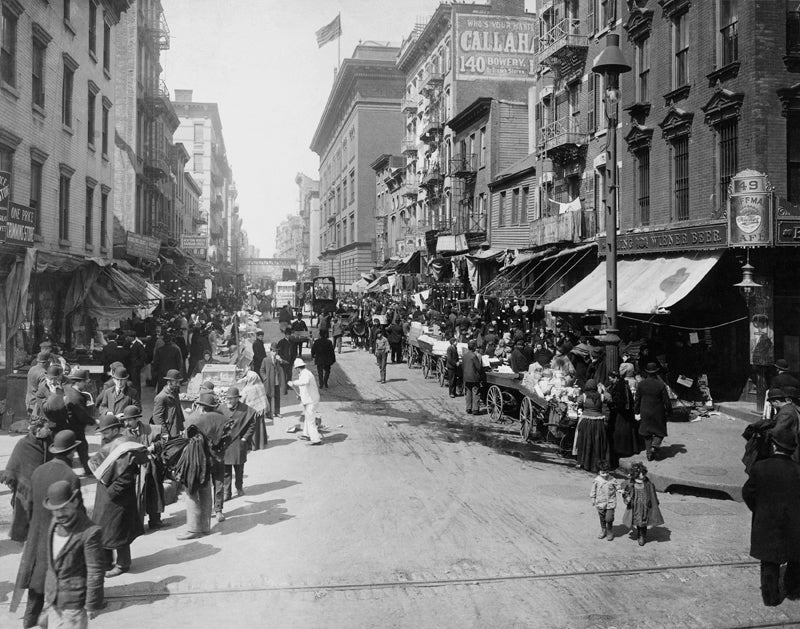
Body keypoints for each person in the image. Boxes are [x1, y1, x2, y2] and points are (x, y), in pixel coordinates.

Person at [14, 430, 82, 627]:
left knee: (36, 578)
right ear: (71, 452)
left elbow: (29, 504)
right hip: (59, 537)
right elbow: (76, 514)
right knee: (59, 581)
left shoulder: (39, 471)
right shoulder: (70, 477)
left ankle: (29, 619)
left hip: (37, 533)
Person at [742, 426, 800, 606]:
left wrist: (758, 510)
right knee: (795, 557)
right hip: (794, 523)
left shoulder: (760, 467)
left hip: (766, 521)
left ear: (774, 446)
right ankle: (793, 589)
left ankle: (771, 597)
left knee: (769, 560)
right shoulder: (798, 470)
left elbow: (748, 493)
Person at [89, 413, 147, 577]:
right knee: (105, 529)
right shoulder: (111, 442)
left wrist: (111, 492)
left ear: (116, 429)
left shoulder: (124, 446)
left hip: (118, 497)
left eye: (106, 432)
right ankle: (107, 561)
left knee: (119, 531)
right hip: (106, 495)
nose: (103, 435)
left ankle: (123, 564)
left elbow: (127, 475)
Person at [41, 480, 106, 626]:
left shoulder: (90, 532)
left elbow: (95, 571)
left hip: (74, 603)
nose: (59, 514)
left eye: (64, 508)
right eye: (55, 509)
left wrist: (92, 604)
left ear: (75, 502)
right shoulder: (54, 523)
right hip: (52, 598)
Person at [166, 397, 231, 539]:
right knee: (206, 490)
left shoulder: (198, 421)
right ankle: (205, 527)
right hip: (213, 461)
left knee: (191, 492)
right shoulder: (222, 419)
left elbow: (188, 439)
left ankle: (193, 530)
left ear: (201, 407)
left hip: (197, 462)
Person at [1, 417, 54, 542]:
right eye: (47, 428)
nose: (49, 430)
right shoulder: (23, 444)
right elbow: (13, 465)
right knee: (23, 515)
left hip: (42, 486)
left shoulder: (48, 441)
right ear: (38, 429)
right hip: (25, 488)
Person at [121, 406, 166, 530]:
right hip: (134, 470)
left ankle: (155, 521)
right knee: (137, 496)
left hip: (151, 468)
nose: (127, 423)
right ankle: (138, 524)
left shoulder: (149, 429)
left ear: (136, 419)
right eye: (125, 420)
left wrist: (154, 447)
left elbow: (163, 440)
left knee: (153, 493)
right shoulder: (124, 434)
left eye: (129, 420)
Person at [221, 387, 257, 499]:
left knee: (239, 468)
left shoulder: (245, 410)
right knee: (226, 471)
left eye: (231, 399)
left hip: (238, 444)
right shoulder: (222, 408)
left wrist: (245, 438)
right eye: (227, 399)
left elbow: (252, 425)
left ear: (237, 399)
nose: (229, 401)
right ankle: (227, 492)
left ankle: (239, 487)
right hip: (225, 444)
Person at [63, 369, 96, 476]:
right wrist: (94, 421)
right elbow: (82, 415)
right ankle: (87, 470)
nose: (85, 384)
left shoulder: (70, 391)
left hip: (71, 427)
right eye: (84, 382)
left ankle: (86, 470)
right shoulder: (76, 397)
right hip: (75, 428)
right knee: (80, 449)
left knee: (75, 451)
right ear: (78, 382)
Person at [635, 362, 671, 461]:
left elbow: (637, 399)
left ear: (647, 372)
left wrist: (636, 411)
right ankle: (655, 445)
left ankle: (649, 453)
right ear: (656, 372)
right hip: (658, 411)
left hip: (645, 410)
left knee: (647, 433)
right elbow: (666, 400)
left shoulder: (641, 384)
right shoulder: (660, 384)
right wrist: (669, 411)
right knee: (660, 431)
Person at [622, 462, 664, 546]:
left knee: (643, 521)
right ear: (636, 474)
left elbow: (652, 493)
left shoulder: (647, 483)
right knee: (638, 521)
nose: (644, 476)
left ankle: (642, 535)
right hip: (636, 506)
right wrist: (627, 497)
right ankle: (640, 534)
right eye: (642, 474)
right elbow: (625, 492)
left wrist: (655, 502)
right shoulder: (631, 483)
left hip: (645, 505)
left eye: (644, 474)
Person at [575, 379, 610, 473]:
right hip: (598, 423)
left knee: (584, 442)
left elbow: (578, 402)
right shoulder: (602, 397)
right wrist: (603, 390)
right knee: (597, 443)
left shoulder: (584, 396)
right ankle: (596, 465)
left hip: (586, 421)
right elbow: (609, 398)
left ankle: (583, 462)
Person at [608, 367, 642, 460]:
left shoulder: (620, 386)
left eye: (610, 378)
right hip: (625, 412)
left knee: (621, 430)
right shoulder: (621, 384)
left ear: (615, 378)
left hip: (622, 413)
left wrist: (612, 403)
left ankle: (622, 450)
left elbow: (620, 401)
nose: (610, 380)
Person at [288, 358, 322, 445]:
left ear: (297, 368)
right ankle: (306, 434)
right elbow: (305, 389)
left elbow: (305, 382)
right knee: (307, 418)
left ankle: (316, 439)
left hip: (311, 401)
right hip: (310, 399)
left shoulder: (305, 374)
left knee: (310, 421)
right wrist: (300, 396)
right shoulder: (305, 373)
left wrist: (294, 383)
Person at [152, 369, 186, 439]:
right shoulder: (161, 397)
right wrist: (164, 433)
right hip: (168, 432)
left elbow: (178, 410)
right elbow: (157, 417)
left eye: (179, 382)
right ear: (169, 382)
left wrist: (182, 427)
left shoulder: (175, 392)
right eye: (176, 382)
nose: (178, 385)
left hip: (176, 430)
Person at [590, 460, 617, 541]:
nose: (605, 475)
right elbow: (593, 490)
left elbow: (618, 487)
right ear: (599, 472)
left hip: (610, 502)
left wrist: (621, 490)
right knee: (602, 517)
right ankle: (603, 529)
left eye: (607, 472)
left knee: (609, 518)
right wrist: (593, 498)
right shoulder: (597, 480)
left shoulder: (612, 479)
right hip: (600, 502)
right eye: (603, 473)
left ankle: (609, 530)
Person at [462, 340, 483, 415]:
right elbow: (479, 367)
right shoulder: (474, 356)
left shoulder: (465, 355)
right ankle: (475, 409)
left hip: (466, 377)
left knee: (468, 392)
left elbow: (463, 366)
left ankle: (468, 408)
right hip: (474, 377)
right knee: (475, 392)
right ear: (474, 347)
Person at [260, 347, 280, 419]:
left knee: (277, 397)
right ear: (271, 351)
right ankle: (268, 414)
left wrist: (279, 360)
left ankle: (277, 412)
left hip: (276, 381)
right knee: (268, 397)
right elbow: (261, 370)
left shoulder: (277, 359)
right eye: (274, 351)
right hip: (269, 382)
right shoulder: (265, 359)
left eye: (276, 351)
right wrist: (265, 378)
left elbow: (284, 365)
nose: (275, 353)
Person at [275, 329, 296, 395]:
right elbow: (279, 353)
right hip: (284, 362)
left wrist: (293, 359)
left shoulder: (293, 342)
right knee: (284, 374)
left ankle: (289, 386)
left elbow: (295, 352)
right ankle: (284, 387)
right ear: (285, 335)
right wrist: (282, 360)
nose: (288, 336)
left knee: (289, 374)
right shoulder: (281, 342)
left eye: (289, 335)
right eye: (287, 335)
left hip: (290, 361)